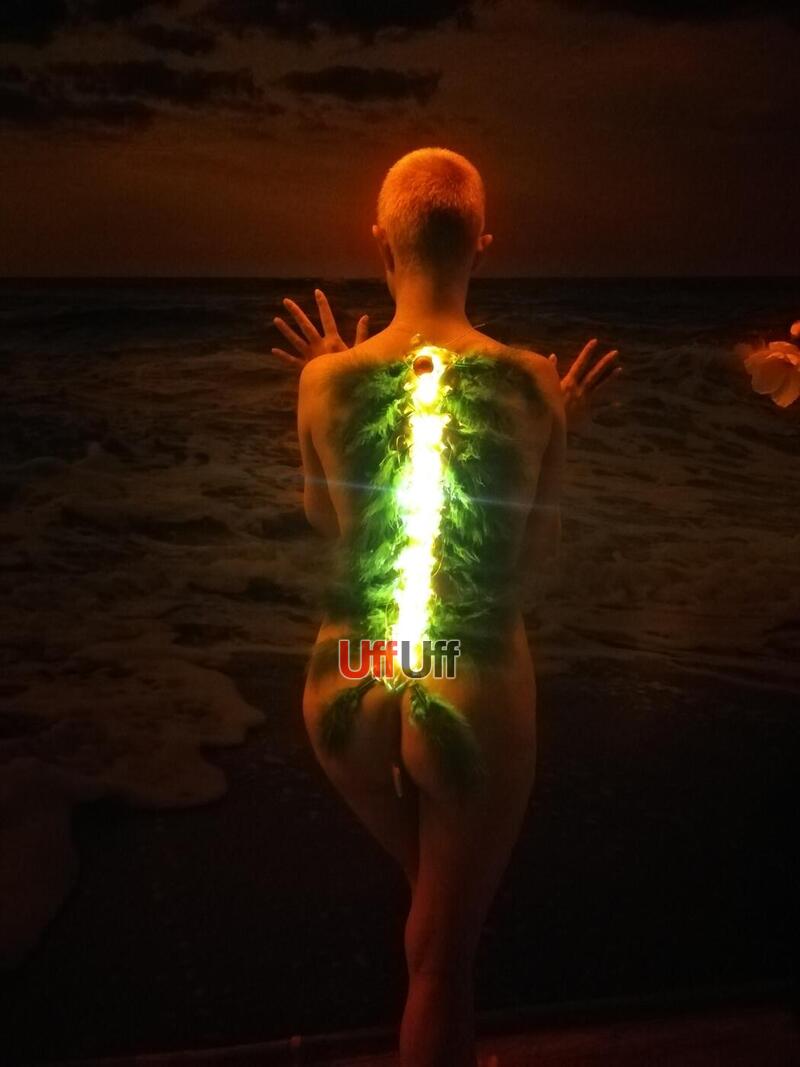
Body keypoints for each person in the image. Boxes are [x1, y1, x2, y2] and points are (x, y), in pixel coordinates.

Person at [271, 147, 620, 1067]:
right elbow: (536, 554)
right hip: (470, 685)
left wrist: (332, 375)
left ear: (379, 242)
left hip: (347, 681)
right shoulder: (533, 382)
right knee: (442, 957)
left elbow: (327, 520)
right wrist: (555, 427)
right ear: (482, 247)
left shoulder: (323, 380)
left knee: (434, 913)